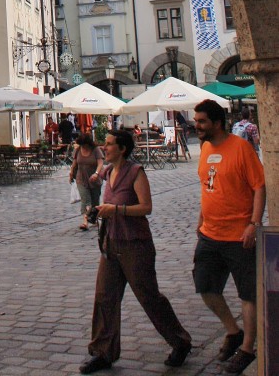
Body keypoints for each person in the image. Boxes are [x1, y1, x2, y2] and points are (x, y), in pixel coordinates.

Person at [79, 130, 192, 373]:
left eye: (109, 145)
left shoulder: (135, 172)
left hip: (135, 245)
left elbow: (146, 207)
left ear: (122, 149)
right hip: (111, 242)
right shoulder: (108, 172)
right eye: (105, 144)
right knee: (104, 297)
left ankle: (180, 341)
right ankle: (103, 352)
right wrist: (98, 211)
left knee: (149, 297)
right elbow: (108, 205)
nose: (105, 148)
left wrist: (116, 210)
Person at [193, 99, 266, 374]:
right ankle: (232, 331)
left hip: (239, 235)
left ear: (217, 123)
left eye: (201, 121)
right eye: (196, 121)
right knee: (206, 288)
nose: (196, 125)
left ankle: (247, 348)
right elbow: (207, 185)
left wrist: (254, 223)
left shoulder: (241, 148)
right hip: (210, 233)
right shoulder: (205, 148)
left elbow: (259, 186)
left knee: (248, 293)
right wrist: (201, 220)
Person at [69, 132, 104, 230]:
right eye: (82, 145)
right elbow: (74, 163)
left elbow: (100, 163)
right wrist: (71, 173)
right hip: (81, 179)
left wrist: (96, 173)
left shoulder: (96, 150)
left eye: (85, 145)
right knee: (86, 200)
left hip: (95, 179)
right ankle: (85, 222)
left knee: (95, 202)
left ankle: (94, 219)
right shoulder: (78, 150)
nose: (83, 147)